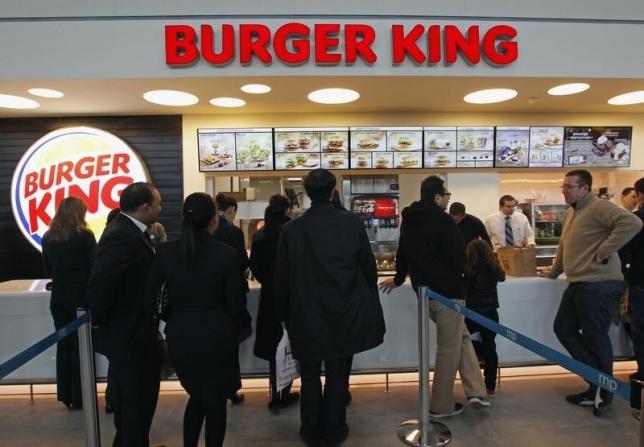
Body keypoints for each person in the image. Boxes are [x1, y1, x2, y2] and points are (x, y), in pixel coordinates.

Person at [274, 169, 385, 446]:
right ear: (334, 188)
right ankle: (335, 431)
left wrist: (284, 316)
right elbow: (369, 271)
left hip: (305, 314)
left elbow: (282, 279)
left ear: (306, 191)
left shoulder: (292, 229)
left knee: (309, 375)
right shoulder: (351, 223)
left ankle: (310, 431)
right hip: (343, 311)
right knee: (337, 374)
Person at [379, 175, 489, 417]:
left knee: (461, 337)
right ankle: (441, 406)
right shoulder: (443, 221)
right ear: (437, 197)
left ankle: (476, 392)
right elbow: (457, 256)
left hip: (425, 294)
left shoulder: (409, 219)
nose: (448, 200)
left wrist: (399, 278)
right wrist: (467, 275)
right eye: (446, 195)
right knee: (448, 350)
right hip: (449, 293)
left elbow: (403, 251)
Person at [145, 192, 245, 447]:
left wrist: (173, 317)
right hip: (217, 337)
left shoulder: (166, 253)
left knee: (199, 396)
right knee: (214, 402)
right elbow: (236, 304)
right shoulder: (226, 254)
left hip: (180, 336)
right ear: (214, 219)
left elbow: (152, 296)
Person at [539, 170, 642, 416]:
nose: (564, 190)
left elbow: (633, 222)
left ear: (584, 188)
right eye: (563, 186)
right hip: (579, 283)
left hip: (599, 285)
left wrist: (605, 250)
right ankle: (595, 381)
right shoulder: (572, 211)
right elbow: (564, 245)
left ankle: (604, 392)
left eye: (569, 186)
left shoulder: (598, 206)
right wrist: (554, 271)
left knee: (596, 337)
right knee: (563, 328)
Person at [88, 182, 163, 446]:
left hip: (135, 332)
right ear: (144, 207)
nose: (160, 209)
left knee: (137, 404)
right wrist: (106, 324)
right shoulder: (122, 234)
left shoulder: (135, 231)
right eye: (157, 204)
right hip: (128, 334)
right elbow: (103, 283)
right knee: (134, 403)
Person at [41, 197, 96, 410]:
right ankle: (81, 395)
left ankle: (65, 394)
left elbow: (48, 269)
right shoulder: (85, 236)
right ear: (78, 212)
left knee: (64, 343)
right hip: (81, 296)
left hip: (59, 297)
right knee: (81, 345)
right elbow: (94, 266)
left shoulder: (48, 237)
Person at [250, 194, 299, 412]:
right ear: (287, 210)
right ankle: (285, 392)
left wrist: (267, 282)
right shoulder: (294, 231)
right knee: (292, 345)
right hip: (292, 295)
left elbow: (255, 268)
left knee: (273, 347)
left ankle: (275, 394)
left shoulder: (260, 234)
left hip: (269, 296)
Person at [212, 193, 250, 405]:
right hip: (231, 296)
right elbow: (242, 262)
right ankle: (231, 390)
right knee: (230, 346)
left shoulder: (204, 229)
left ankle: (214, 388)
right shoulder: (233, 232)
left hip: (209, 297)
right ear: (231, 211)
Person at [464, 239, 505, 398]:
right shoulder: (494, 268)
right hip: (491, 313)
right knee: (490, 347)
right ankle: (490, 387)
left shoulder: (468, 269)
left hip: (472, 314)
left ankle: (475, 375)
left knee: (462, 342)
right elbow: (502, 278)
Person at [330, 189, 353, 405]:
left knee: (314, 364)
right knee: (342, 355)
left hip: (313, 307)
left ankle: (311, 422)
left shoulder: (297, 227)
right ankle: (341, 391)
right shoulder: (351, 223)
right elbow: (365, 266)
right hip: (345, 302)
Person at [625, 178, 644, 410]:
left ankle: (642, 375)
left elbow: (625, 252)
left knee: (640, 329)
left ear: (639, 195)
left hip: (641, 282)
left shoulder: (636, 220)